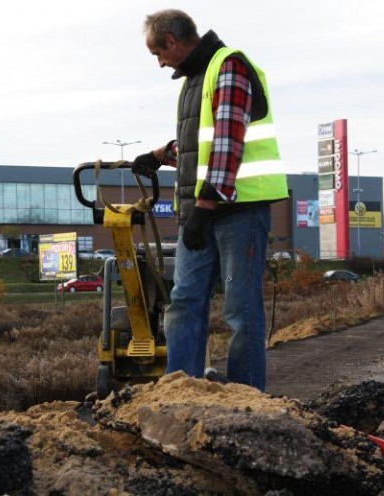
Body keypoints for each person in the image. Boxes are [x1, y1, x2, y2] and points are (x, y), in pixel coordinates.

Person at [130, 9, 288, 391]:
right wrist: (159, 155)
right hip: (201, 211)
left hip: (238, 213)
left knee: (240, 309)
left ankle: (246, 398)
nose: (159, 63)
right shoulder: (194, 80)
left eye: (158, 54)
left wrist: (205, 206)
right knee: (183, 302)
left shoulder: (229, 66)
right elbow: (199, 142)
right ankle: (181, 389)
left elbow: (227, 143)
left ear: (171, 41)